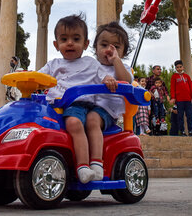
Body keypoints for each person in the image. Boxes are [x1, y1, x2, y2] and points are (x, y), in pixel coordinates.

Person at [38, 14, 115, 184]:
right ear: (56, 45)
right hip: (55, 106)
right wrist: (26, 76)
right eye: (64, 39)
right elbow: (38, 77)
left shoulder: (91, 62)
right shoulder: (53, 64)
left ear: (86, 44)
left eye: (76, 38)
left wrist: (108, 80)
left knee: (76, 122)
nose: (70, 43)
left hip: (80, 104)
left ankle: (89, 165)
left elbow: (104, 75)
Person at [92, 21, 134, 176]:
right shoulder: (91, 66)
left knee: (92, 119)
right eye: (104, 45)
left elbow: (127, 81)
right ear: (95, 48)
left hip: (107, 112)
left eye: (116, 47)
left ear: (123, 52)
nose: (110, 49)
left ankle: (96, 163)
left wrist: (116, 61)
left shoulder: (123, 68)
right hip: (87, 106)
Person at [170, 60, 192, 136]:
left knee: (189, 116)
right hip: (179, 100)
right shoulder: (174, 76)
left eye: (180, 67)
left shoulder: (187, 76)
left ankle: (190, 130)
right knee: (180, 116)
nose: (179, 68)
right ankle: (182, 131)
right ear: (175, 68)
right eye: (177, 67)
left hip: (188, 99)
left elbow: (191, 87)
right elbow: (172, 88)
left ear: (183, 67)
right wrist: (173, 97)